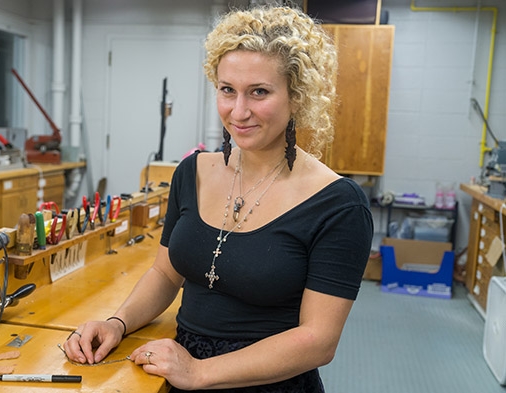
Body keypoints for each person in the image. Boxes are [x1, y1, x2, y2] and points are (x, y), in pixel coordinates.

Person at [64, 5, 373, 392]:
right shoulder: (192, 173)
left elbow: (318, 340)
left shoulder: (338, 205)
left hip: (268, 383)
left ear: (297, 97)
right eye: (227, 90)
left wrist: (200, 372)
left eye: (259, 92)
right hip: (178, 374)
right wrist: (118, 322)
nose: (238, 111)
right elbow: (165, 273)